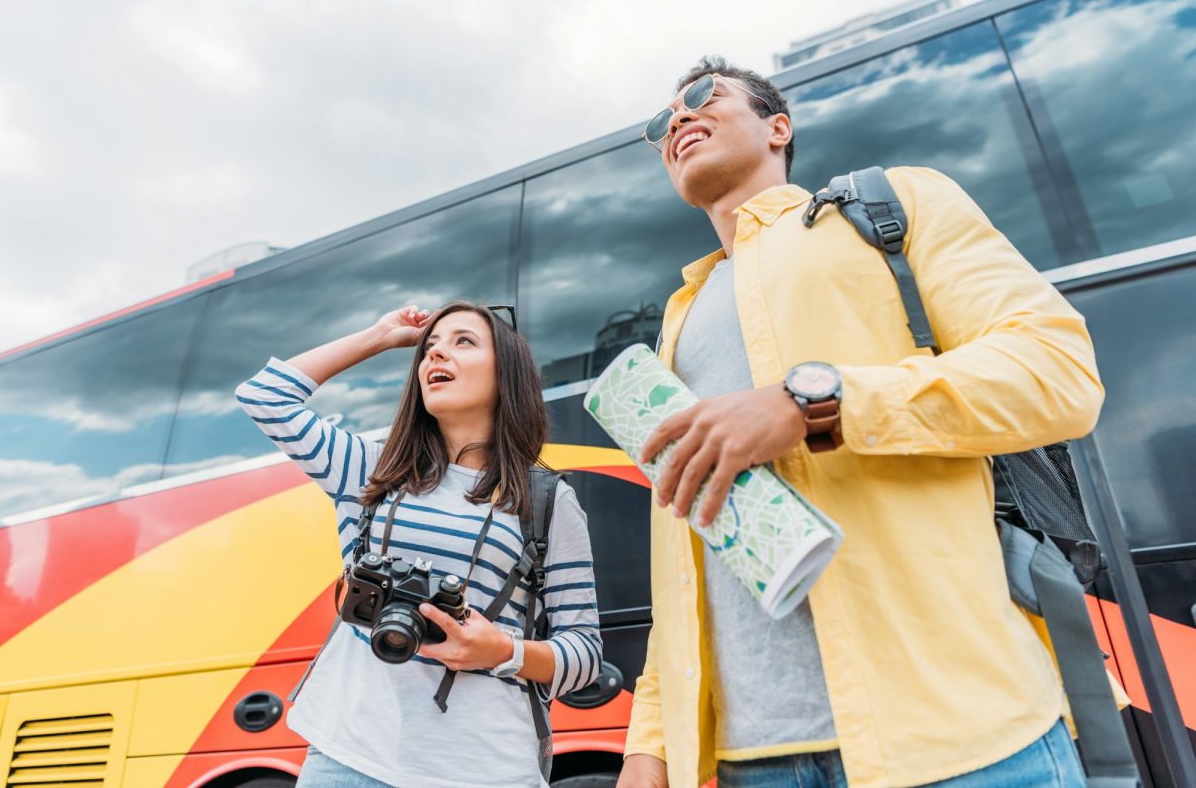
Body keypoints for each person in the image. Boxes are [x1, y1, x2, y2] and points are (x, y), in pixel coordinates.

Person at [616, 56, 1104, 788]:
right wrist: (648, 745)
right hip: (757, 764)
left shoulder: (892, 206)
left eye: (699, 98)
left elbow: (1058, 372)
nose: (677, 119)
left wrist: (812, 404)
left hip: (961, 741)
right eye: (661, 123)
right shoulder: (674, 327)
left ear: (778, 126)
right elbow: (686, 555)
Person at [235, 301, 602, 788]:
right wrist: (380, 336)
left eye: (462, 342)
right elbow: (265, 395)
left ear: (507, 373)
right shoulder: (370, 470)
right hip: (348, 759)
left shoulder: (548, 502)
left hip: (487, 770)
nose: (436, 355)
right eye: (429, 348)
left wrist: (501, 650)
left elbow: (584, 654)